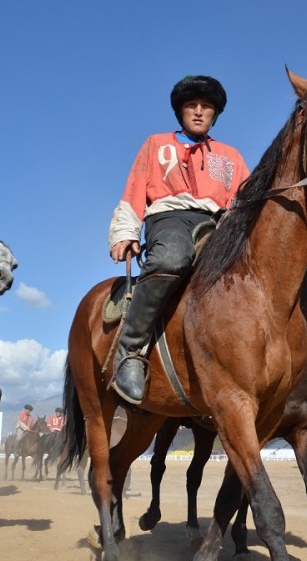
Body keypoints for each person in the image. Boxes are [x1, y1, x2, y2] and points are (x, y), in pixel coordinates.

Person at [107, 75, 249, 404]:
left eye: (206, 107)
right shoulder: (156, 144)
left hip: (217, 222)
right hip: (169, 216)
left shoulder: (231, 156)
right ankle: (130, 349)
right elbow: (134, 189)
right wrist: (125, 232)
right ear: (181, 112)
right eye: (191, 106)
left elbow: (244, 199)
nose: (199, 112)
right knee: (172, 256)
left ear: (215, 114)